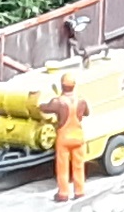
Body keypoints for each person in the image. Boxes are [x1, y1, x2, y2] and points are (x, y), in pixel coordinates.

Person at [33, 73, 90, 203]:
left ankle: (63, 193)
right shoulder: (81, 100)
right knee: (79, 165)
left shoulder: (58, 102)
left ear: (62, 86)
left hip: (64, 138)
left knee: (62, 167)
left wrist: (38, 103)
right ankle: (79, 191)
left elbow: (44, 108)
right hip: (78, 137)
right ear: (74, 86)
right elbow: (87, 113)